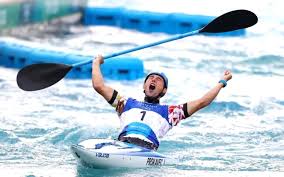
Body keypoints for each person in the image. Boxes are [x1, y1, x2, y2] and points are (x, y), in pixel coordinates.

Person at [92, 55, 232, 151]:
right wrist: (96, 62)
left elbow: (203, 102)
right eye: (150, 78)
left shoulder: (171, 112)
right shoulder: (125, 103)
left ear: (164, 91)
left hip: (146, 149)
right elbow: (99, 86)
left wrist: (222, 82)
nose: (153, 80)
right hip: (122, 145)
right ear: (144, 86)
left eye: (158, 80)